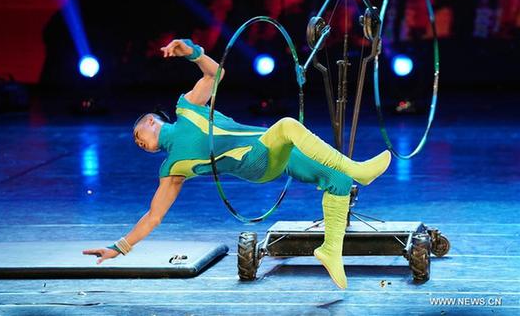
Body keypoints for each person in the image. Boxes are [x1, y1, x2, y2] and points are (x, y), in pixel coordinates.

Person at [83, 39, 392, 289]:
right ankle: (358, 170)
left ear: (151, 121)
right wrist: (119, 247)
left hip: (272, 149)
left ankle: (330, 252)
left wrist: (190, 51)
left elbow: (214, 74)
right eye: (138, 144)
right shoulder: (172, 168)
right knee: (286, 125)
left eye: (139, 135)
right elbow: (153, 216)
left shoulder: (187, 107)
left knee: (336, 181)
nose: (139, 143)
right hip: (254, 163)